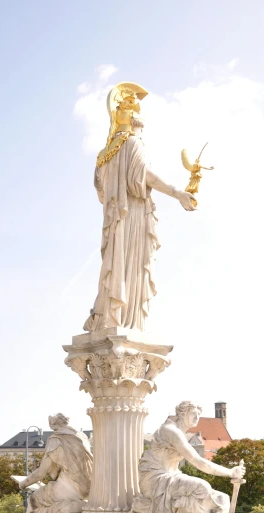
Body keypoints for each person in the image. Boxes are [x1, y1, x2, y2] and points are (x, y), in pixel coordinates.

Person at [83, 82, 195, 332]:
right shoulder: (133, 144)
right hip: (131, 216)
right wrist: (177, 193)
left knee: (116, 267)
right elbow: (143, 177)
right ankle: (126, 320)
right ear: (134, 122)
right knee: (130, 269)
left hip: (113, 221)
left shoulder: (105, 154)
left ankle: (109, 316)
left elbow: (101, 192)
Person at [130, 401, 248, 513]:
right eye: (193, 414)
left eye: (199, 414)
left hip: (170, 476)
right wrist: (230, 472)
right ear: (182, 413)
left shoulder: (180, 433)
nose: (197, 418)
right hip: (154, 478)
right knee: (202, 487)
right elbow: (198, 462)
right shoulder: (170, 431)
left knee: (223, 499)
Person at [18, 414, 93, 513]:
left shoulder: (55, 440)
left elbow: (41, 473)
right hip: (87, 488)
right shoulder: (81, 436)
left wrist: (23, 483)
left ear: (53, 425)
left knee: (33, 500)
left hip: (68, 488)